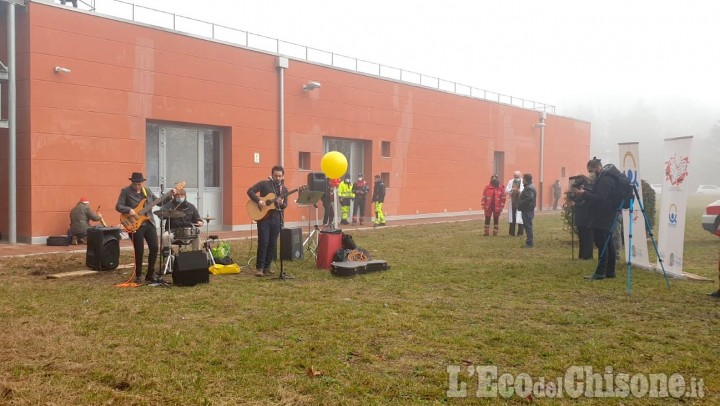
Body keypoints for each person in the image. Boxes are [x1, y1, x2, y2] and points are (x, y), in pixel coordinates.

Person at [116, 172, 176, 284]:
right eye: (135, 184)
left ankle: (150, 274)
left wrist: (170, 195)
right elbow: (118, 206)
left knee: (154, 248)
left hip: (149, 223)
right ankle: (138, 275)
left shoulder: (146, 191)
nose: (137, 186)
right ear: (132, 182)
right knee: (139, 250)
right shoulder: (125, 191)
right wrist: (129, 210)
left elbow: (159, 202)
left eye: (139, 184)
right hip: (135, 225)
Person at [574, 158, 618, 280]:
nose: (590, 173)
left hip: (603, 215)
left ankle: (600, 272)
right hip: (607, 214)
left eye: (591, 171)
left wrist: (584, 194)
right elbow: (600, 195)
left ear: (598, 168)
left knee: (602, 243)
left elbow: (600, 199)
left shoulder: (605, 179)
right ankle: (610, 271)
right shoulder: (606, 178)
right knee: (608, 244)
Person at [247, 165, 287, 277]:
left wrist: (280, 203)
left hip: (276, 219)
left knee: (272, 243)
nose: (278, 178)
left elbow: (285, 205)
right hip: (264, 219)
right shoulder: (264, 184)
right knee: (263, 242)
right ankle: (260, 268)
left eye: (280, 176)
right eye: (276, 175)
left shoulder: (284, 189)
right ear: (272, 175)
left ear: (283, 176)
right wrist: (259, 200)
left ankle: (267, 267)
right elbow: (250, 191)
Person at [568, 175, 594, 260]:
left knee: (587, 237)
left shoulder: (588, 190)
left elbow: (586, 203)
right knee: (582, 237)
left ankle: (588, 255)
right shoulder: (579, 190)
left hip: (587, 217)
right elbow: (578, 201)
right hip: (580, 217)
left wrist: (576, 204)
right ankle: (582, 255)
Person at [518, 173, 537, 248]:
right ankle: (529, 241)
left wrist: (520, 202)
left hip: (527, 209)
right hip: (527, 209)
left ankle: (529, 243)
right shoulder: (529, 187)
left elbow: (529, 198)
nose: (522, 180)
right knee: (527, 225)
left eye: (523, 178)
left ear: (526, 180)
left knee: (528, 226)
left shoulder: (529, 188)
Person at [505, 171, 524, 237]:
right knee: (512, 217)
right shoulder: (510, 182)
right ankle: (511, 233)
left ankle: (520, 233)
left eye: (517, 177)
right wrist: (511, 189)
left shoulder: (522, 182)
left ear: (520, 176)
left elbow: (524, 191)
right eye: (515, 176)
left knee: (520, 218)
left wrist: (519, 191)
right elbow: (506, 190)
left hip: (520, 202)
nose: (516, 178)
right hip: (513, 201)